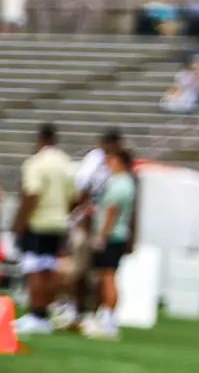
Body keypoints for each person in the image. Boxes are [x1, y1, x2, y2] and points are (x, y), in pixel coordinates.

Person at [13, 124, 77, 336]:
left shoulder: (36, 163)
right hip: (59, 222)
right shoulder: (66, 163)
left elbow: (32, 194)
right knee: (49, 269)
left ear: (40, 141)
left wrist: (20, 221)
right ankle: (45, 315)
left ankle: (36, 313)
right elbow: (75, 197)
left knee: (35, 269)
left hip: (39, 222)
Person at [60, 129, 124, 330]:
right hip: (87, 223)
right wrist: (79, 214)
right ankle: (76, 308)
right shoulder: (94, 160)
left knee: (97, 274)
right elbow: (83, 189)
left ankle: (95, 313)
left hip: (101, 227)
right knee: (79, 269)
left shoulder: (119, 169)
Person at [81, 147, 137, 341]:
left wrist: (101, 235)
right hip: (118, 235)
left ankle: (108, 316)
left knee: (108, 276)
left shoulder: (120, 183)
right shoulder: (127, 182)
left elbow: (112, 211)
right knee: (109, 275)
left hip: (112, 235)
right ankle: (107, 315)